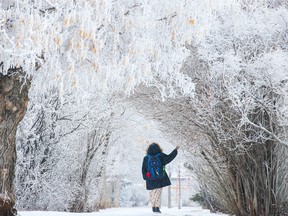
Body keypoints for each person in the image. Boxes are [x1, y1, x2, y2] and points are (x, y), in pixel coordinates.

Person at [142, 142, 180, 213]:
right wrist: (175, 150)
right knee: (158, 193)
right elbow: (169, 158)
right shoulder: (161, 156)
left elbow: (143, 168)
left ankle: (153, 207)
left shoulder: (146, 158)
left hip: (150, 178)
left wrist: (145, 177)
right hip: (160, 178)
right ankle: (157, 208)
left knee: (152, 193)